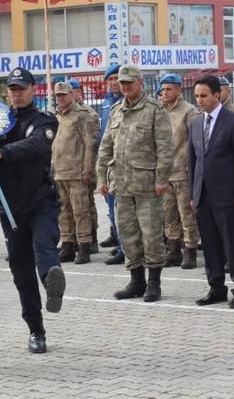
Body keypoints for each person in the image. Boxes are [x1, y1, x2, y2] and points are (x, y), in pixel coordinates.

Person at [0, 67, 66, 353]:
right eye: (12, 89)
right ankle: (36, 330)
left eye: (21, 88)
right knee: (21, 270)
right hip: (9, 206)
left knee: (44, 243)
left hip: (40, 200)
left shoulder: (44, 120)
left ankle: (51, 280)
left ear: (33, 89)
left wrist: (3, 153)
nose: (16, 94)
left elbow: (36, 145)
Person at [97, 64, 173, 302]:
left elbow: (165, 147)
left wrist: (162, 179)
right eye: (122, 83)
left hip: (147, 185)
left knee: (151, 236)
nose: (125, 86)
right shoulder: (116, 110)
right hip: (121, 185)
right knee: (128, 235)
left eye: (129, 82)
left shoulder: (154, 110)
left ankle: (154, 283)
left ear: (140, 82)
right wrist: (102, 177)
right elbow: (106, 146)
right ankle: (136, 281)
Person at [189, 75, 234, 308]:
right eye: (197, 96)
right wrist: (193, 194)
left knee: (232, 245)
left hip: (227, 194)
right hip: (203, 194)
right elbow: (193, 160)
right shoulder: (195, 122)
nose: (199, 100)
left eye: (204, 96)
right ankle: (216, 287)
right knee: (210, 244)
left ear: (217, 94)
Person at [53, 81, 99, 265]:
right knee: (64, 212)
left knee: (81, 211)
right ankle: (67, 245)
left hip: (77, 173)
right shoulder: (57, 116)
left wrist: (88, 170)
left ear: (71, 94)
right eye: (58, 95)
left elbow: (90, 145)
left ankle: (85, 246)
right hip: (60, 172)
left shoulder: (82, 115)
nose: (61, 98)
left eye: (64, 95)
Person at [159, 73, 201, 269]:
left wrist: (191, 167)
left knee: (186, 214)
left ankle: (190, 250)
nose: (165, 93)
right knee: (168, 215)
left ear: (178, 90)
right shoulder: (159, 110)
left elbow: (196, 141)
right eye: (163, 89)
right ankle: (173, 250)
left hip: (182, 171)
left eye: (169, 89)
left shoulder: (189, 111)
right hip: (164, 172)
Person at [69, 78, 101, 253]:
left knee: (86, 204)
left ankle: (92, 237)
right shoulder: (65, 113)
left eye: (71, 91)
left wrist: (88, 169)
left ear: (78, 92)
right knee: (71, 207)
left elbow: (92, 144)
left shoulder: (88, 113)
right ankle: (74, 238)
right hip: (70, 168)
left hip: (84, 167)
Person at [99, 64, 125, 265]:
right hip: (109, 163)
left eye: (117, 78)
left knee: (123, 209)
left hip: (126, 163)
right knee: (111, 206)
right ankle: (120, 242)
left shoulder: (127, 101)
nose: (114, 82)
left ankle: (126, 248)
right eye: (111, 79)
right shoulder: (107, 103)